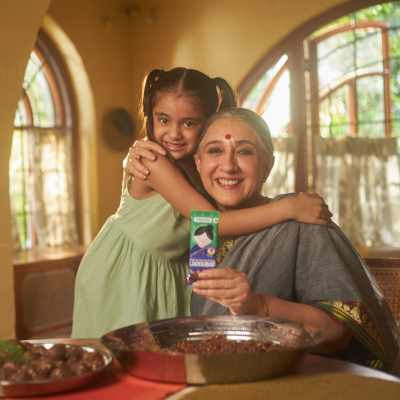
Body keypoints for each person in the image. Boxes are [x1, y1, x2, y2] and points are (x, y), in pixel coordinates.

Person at [72, 68, 332, 339]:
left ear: (207, 123)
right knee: (120, 352)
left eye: (188, 123)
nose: (174, 134)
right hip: (124, 272)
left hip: (167, 273)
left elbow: (202, 240)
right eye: (163, 119)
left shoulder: (203, 168)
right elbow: (212, 223)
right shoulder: (153, 160)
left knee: (166, 356)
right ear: (151, 117)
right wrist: (288, 208)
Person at [188, 107, 400, 374]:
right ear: (198, 163)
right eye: (215, 150)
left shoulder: (300, 221)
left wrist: (255, 305)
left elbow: (337, 332)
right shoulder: (202, 233)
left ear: (267, 167)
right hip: (214, 378)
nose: (228, 165)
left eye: (243, 151)